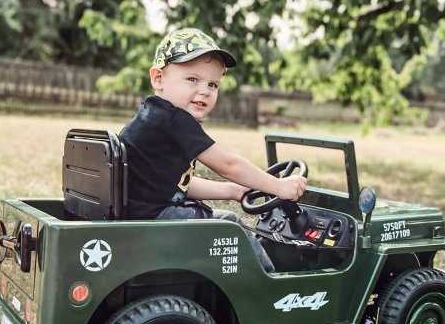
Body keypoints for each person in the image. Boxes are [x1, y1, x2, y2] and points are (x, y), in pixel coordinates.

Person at [120, 27, 307, 273]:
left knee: (224, 221)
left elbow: (174, 185)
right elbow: (228, 165)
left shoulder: (152, 115)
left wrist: (233, 191)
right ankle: (269, 288)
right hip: (155, 223)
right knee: (230, 226)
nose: (205, 90)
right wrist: (279, 186)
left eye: (213, 84)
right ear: (158, 78)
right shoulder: (174, 120)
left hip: (144, 219)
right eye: (192, 79)